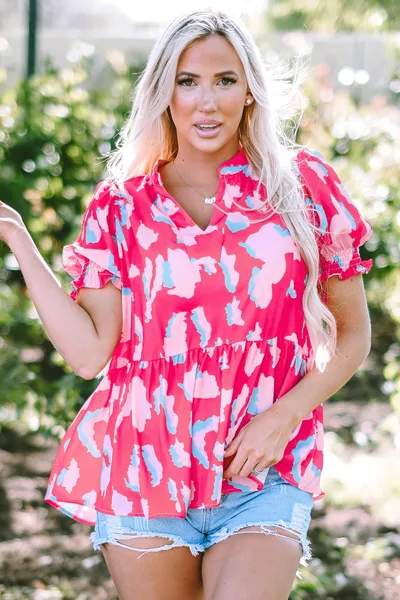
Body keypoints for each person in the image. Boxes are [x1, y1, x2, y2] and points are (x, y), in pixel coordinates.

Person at [0, 8, 374, 600]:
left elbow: (352, 335)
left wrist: (283, 417)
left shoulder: (301, 188)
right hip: (143, 468)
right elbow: (89, 354)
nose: (207, 102)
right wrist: (19, 238)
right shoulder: (121, 208)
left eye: (225, 80)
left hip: (262, 471)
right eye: (187, 81)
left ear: (249, 90)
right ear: (164, 93)